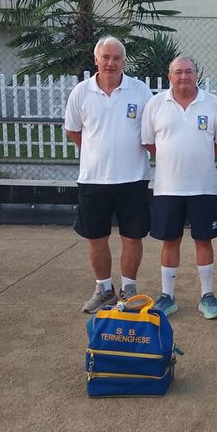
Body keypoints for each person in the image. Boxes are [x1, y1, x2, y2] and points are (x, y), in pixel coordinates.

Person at [64, 35, 153, 312]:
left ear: (124, 61)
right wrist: (96, 151)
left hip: (133, 179)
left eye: (116, 58)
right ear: (96, 60)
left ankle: (128, 290)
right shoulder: (81, 92)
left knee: (132, 237)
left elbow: (151, 130)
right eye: (105, 57)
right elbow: (73, 130)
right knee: (96, 237)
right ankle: (104, 290)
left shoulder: (140, 91)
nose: (110, 63)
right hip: (93, 180)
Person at [141, 56, 217, 318]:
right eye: (178, 72)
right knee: (170, 241)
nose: (184, 77)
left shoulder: (212, 104)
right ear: (170, 76)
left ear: (196, 74)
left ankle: (207, 296)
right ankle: (167, 297)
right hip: (167, 188)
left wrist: (196, 159)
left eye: (189, 71)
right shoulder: (156, 104)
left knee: (204, 240)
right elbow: (149, 143)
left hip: (203, 188)